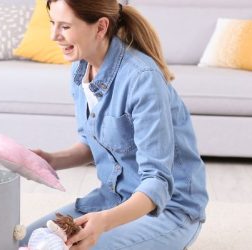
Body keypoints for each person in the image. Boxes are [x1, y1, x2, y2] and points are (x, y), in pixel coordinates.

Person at [21, 1, 209, 249]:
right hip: (114, 199)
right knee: (24, 240)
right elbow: (96, 143)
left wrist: (105, 222)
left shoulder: (142, 79)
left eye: (65, 26)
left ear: (100, 28)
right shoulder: (81, 70)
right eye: (52, 24)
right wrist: (50, 160)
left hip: (169, 210)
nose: (53, 36)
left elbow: (157, 182)